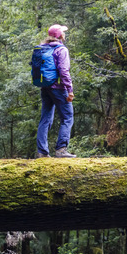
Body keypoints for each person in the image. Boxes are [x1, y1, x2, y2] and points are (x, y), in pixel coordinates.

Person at [36, 24, 76, 158]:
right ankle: (61, 150)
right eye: (63, 32)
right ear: (59, 35)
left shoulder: (42, 48)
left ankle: (42, 151)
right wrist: (69, 90)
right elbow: (64, 71)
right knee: (67, 117)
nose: (64, 34)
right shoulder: (61, 50)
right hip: (59, 88)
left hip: (45, 87)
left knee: (45, 118)